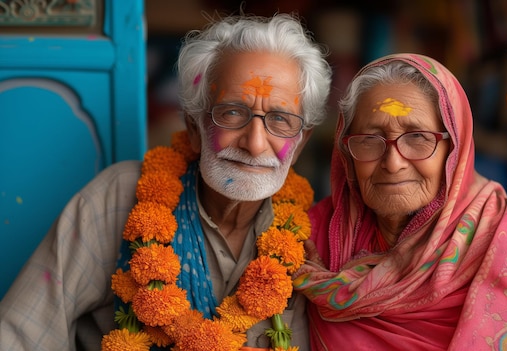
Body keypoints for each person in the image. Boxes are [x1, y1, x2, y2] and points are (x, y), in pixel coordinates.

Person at [0, 13, 332, 350]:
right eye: (232, 113)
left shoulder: (312, 235)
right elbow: (18, 337)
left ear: (301, 141)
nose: (256, 143)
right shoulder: (116, 199)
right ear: (194, 127)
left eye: (279, 119)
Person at [293, 53, 507, 350]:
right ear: (346, 152)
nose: (393, 163)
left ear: (454, 150)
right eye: (369, 139)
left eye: (418, 137)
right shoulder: (310, 239)